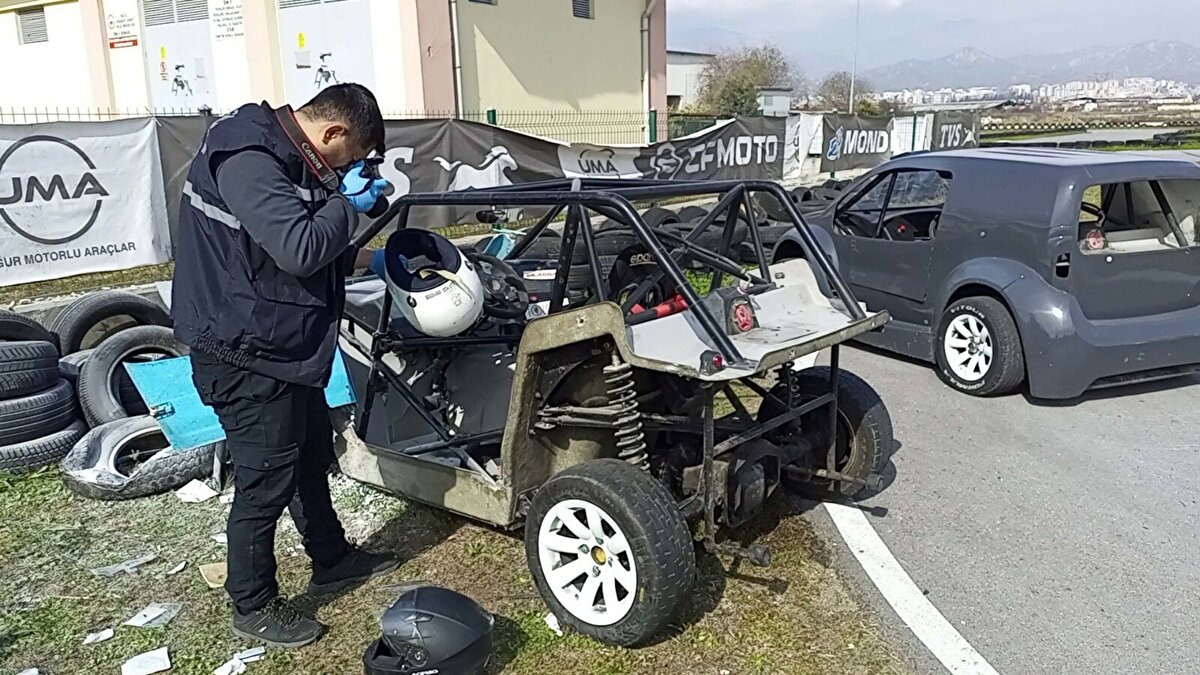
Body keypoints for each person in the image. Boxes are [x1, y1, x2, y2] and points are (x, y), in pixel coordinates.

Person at [171, 84, 396, 648]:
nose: (348, 170)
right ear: (333, 134)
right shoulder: (249, 156)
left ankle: (331, 557)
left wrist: (380, 257)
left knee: (310, 454)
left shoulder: (288, 155)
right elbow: (298, 248)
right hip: (243, 351)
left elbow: (302, 250)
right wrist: (349, 206)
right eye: (352, 157)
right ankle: (252, 603)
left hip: (281, 345)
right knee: (265, 480)